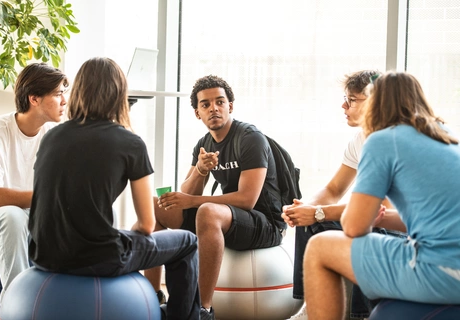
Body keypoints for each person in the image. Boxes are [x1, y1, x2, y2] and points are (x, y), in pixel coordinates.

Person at [28, 57, 200, 320]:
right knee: (187, 241)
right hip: (98, 258)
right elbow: (146, 224)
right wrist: (125, 240)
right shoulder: (130, 143)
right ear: (120, 94)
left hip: (43, 254)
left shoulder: (51, 136)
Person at [304, 71, 460, 319]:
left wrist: (323, 213)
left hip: (443, 271)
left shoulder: (382, 141)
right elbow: (435, 218)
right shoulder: (445, 136)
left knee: (319, 247)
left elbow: (354, 227)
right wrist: (383, 218)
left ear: (374, 103)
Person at [144, 74, 286, 320]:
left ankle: (202, 309)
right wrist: (200, 170)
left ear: (230, 106)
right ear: (197, 113)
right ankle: (153, 297)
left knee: (207, 211)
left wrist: (194, 202)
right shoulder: (204, 142)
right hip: (231, 220)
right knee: (158, 206)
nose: (214, 109)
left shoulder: (250, 138)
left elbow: (247, 200)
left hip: (265, 222)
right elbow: (185, 195)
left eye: (220, 102)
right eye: (206, 104)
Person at [283, 70, 407, 320]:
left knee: (362, 228)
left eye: (351, 100)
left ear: (373, 100)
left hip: (397, 224)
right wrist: (302, 207)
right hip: (378, 216)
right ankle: (312, 305)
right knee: (308, 224)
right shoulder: (360, 140)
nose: (344, 106)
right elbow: (334, 189)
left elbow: (380, 207)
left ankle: (361, 315)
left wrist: (316, 212)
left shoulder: (390, 140)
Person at [0, 63, 68, 303]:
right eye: (58, 93)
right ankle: (16, 307)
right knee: (11, 216)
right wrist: (45, 197)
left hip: (34, 219)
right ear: (34, 99)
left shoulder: (54, 135)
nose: (64, 100)